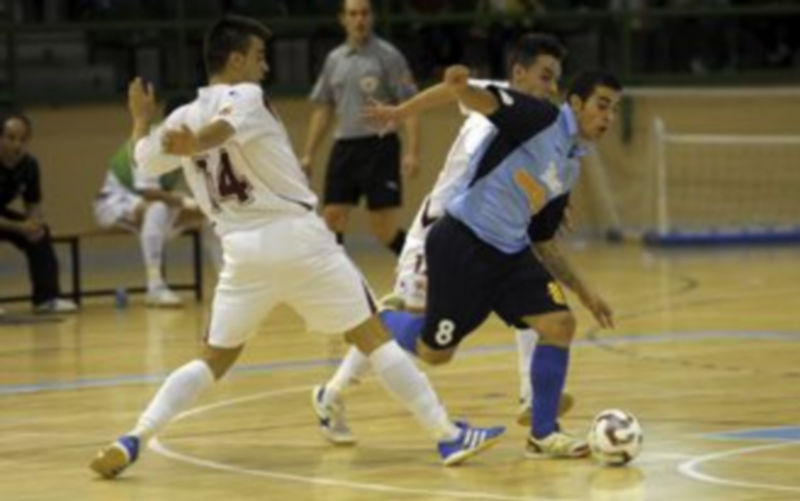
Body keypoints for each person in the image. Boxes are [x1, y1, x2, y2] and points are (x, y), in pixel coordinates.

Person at [89, 15, 504, 479]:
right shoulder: (243, 96)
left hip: (241, 253)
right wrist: (199, 143)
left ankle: (134, 437)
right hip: (297, 239)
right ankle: (447, 435)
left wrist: (141, 120)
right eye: (259, 57)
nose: (265, 67)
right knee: (372, 336)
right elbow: (222, 131)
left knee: (212, 359)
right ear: (236, 59)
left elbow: (144, 159)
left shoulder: (182, 115)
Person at [313, 33, 575, 446]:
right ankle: (332, 394)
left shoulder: (539, 117)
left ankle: (529, 394)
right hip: (440, 229)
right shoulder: (497, 103)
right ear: (519, 73)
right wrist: (401, 112)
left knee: (531, 298)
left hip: (485, 234)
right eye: (545, 77)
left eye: (556, 79)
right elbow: (457, 91)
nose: (552, 89)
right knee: (411, 327)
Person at [363, 65, 621, 458]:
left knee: (559, 324)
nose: (609, 117)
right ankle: (380, 319)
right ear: (576, 103)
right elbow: (472, 96)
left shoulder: (569, 166)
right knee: (435, 352)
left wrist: (587, 293)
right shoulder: (540, 118)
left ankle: (544, 434)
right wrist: (405, 111)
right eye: (602, 106)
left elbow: (544, 241)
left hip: (511, 254)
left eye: (614, 110)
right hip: (463, 243)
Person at [300, 0, 418, 254]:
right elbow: (324, 109)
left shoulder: (388, 56)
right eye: (353, 14)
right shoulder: (334, 59)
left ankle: (425, 267)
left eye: (364, 13)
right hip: (345, 147)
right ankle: (340, 287)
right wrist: (309, 153)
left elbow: (408, 105)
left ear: (372, 17)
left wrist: (412, 151)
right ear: (343, 19)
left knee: (383, 230)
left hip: (380, 146)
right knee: (331, 218)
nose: (359, 20)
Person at [92, 97, 222, 307]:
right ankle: (155, 286)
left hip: (148, 205)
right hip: (112, 203)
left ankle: (226, 281)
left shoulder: (189, 141)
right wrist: (183, 201)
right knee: (158, 208)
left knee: (212, 215)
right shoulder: (151, 141)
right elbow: (147, 191)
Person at [0, 113, 78, 314]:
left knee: (40, 235)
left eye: (23, 139)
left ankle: (47, 298)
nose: (17, 145)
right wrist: (19, 226)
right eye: (11, 138)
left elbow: (33, 203)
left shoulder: (29, 166)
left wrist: (34, 224)